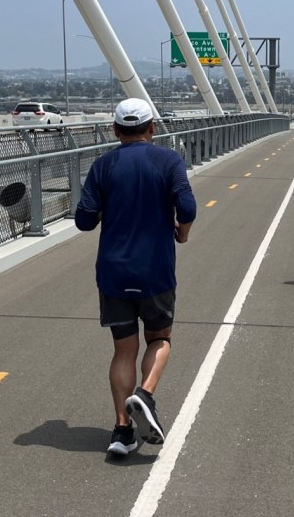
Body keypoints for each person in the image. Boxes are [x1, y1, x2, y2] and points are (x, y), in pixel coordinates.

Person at [75, 97, 196, 457]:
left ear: (115, 130)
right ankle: (144, 395)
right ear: (152, 128)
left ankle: (121, 431)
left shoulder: (103, 165)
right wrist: (183, 232)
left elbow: (84, 220)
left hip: (113, 271)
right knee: (160, 337)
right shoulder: (168, 161)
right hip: (155, 270)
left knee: (122, 350)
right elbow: (187, 207)